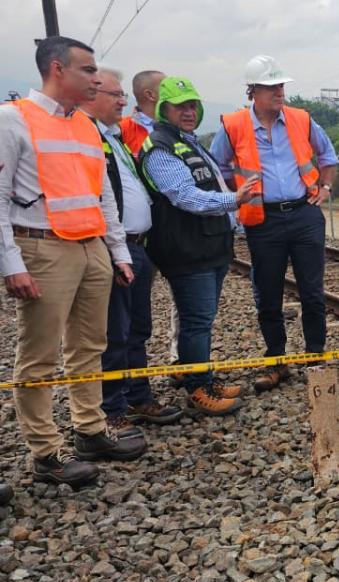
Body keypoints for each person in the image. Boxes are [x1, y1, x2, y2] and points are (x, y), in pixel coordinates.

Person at [0, 36, 146, 487]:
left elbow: (103, 198)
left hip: (91, 250)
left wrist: (117, 252)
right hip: (42, 248)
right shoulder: (13, 120)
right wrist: (11, 264)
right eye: (87, 70)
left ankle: (90, 430)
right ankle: (45, 453)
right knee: (39, 356)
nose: (96, 78)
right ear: (57, 69)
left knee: (90, 347)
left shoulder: (86, 126)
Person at [210, 55, 339, 392]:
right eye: (271, 87)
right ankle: (276, 361)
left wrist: (324, 188)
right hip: (262, 220)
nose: (279, 92)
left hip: (303, 214)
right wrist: (234, 200)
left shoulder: (301, 120)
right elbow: (217, 167)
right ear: (252, 91)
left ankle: (315, 355)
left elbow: (328, 157)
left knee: (312, 291)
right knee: (268, 294)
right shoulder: (233, 125)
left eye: (281, 85)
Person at [140, 76, 258, 415]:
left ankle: (204, 378)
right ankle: (197, 390)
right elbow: (184, 195)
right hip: (187, 251)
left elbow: (210, 182)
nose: (189, 112)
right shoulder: (160, 148)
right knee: (196, 321)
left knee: (203, 320)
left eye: (192, 105)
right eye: (181, 106)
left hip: (208, 247)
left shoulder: (187, 142)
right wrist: (235, 200)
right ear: (164, 108)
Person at [81, 68, 183, 432]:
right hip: (115, 246)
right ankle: (112, 408)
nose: (123, 101)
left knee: (137, 327)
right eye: (116, 95)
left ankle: (138, 397)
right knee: (115, 331)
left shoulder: (115, 137)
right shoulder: (88, 136)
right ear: (91, 94)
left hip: (137, 246)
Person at [118, 70, 162, 158]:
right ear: (150, 95)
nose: (172, 92)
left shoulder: (177, 125)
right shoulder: (121, 129)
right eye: (165, 88)